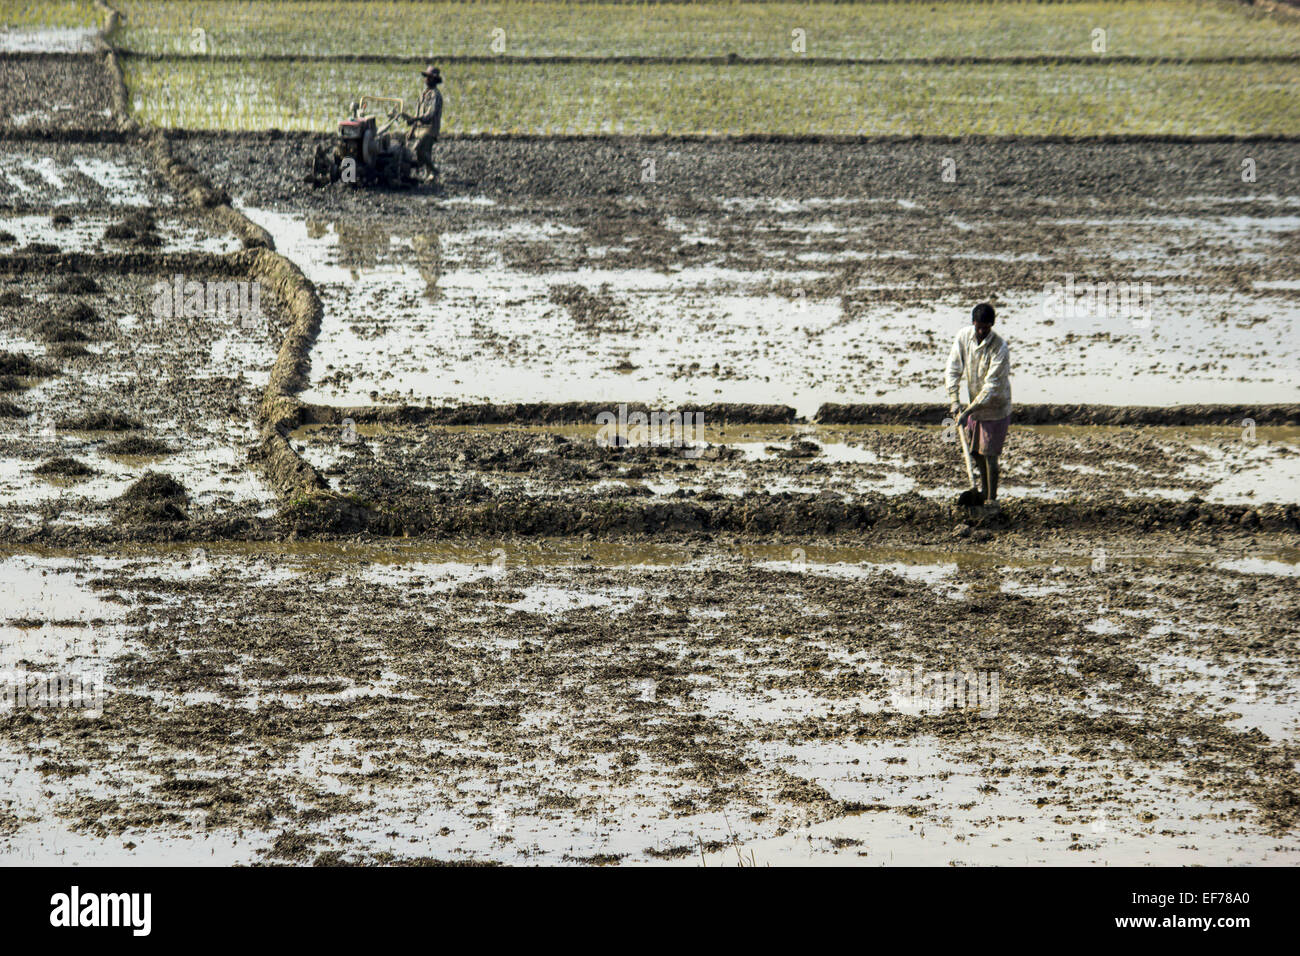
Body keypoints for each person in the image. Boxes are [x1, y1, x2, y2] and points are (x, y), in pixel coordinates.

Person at [945, 303, 1012, 506]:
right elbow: (952, 368)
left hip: (995, 407)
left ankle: (991, 500)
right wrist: (955, 401)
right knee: (975, 452)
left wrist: (968, 411)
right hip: (973, 406)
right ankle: (982, 492)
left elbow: (991, 386)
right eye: (979, 327)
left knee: (990, 455)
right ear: (974, 323)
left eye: (986, 327)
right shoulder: (964, 337)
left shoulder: (999, 347)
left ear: (992, 325)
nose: (982, 331)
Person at [401, 65, 443, 180]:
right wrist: (412, 128)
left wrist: (415, 119)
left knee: (420, 149)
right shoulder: (423, 94)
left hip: (430, 127)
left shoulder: (435, 95)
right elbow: (417, 113)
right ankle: (429, 173)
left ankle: (434, 171)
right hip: (420, 127)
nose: (427, 79)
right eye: (427, 77)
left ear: (435, 80)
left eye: (430, 77)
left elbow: (430, 114)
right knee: (423, 152)